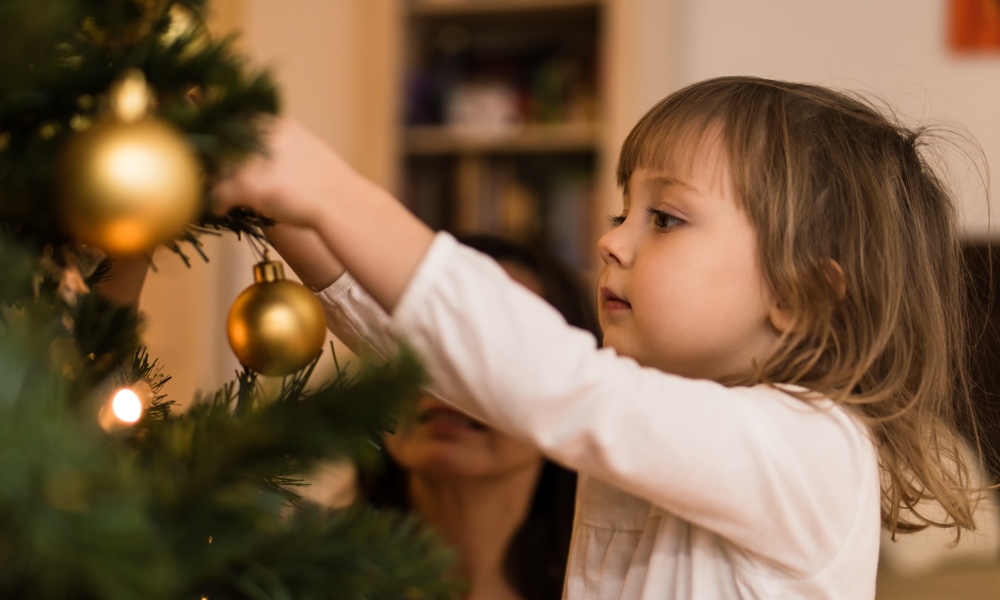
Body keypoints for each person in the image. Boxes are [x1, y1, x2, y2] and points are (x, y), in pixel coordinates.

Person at [214, 76, 982, 599]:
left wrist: (336, 194)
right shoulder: (665, 419)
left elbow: (553, 384)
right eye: (623, 211)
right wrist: (288, 217)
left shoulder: (813, 447)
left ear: (802, 294)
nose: (612, 240)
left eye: (665, 219)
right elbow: (442, 363)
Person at [358, 235, 594, 600]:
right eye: (427, 340)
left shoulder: (612, 587)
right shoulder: (292, 574)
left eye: (496, 351)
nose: (450, 378)